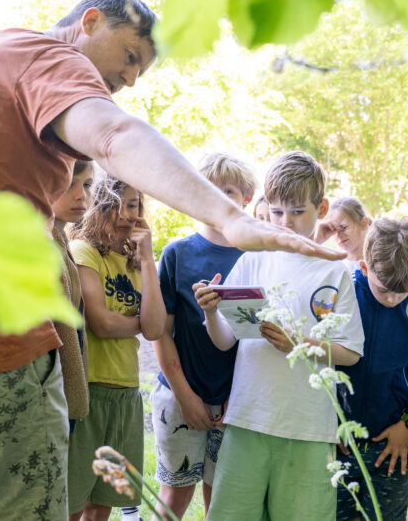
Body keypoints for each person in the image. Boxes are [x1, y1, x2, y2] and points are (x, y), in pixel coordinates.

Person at [0, 0, 342, 521]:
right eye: (131, 56)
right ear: (89, 22)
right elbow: (112, 133)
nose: (130, 80)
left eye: (142, 70)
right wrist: (230, 217)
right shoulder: (49, 60)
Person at [194, 151, 366, 521]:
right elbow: (225, 340)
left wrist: (300, 345)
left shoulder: (335, 271)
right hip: (247, 419)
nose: (285, 222)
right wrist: (211, 312)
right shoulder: (252, 259)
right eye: (276, 212)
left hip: (308, 428)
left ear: (321, 207)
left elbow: (350, 353)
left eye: (297, 211)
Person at [149, 152, 256, 520]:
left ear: (247, 198)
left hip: (233, 403)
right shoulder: (177, 254)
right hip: (180, 394)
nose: (218, 197)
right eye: (208, 189)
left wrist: (238, 396)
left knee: (221, 499)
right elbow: (161, 333)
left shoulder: (255, 257)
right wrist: (186, 396)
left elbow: (252, 337)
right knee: (175, 496)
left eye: (228, 190)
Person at [335, 217, 408, 521]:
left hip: (390, 446)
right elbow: (316, 359)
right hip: (335, 444)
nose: (393, 299)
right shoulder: (339, 297)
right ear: (364, 268)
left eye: (402, 290)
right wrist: (327, 421)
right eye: (385, 289)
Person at [67, 176, 165, 521]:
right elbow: (102, 323)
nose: (126, 213)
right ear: (98, 207)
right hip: (89, 392)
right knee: (73, 503)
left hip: (126, 393)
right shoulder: (84, 250)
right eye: (116, 204)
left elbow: (155, 329)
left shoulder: (137, 260)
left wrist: (148, 259)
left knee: (104, 502)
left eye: (135, 204)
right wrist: (138, 322)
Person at [50, 159, 95, 424]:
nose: (81, 195)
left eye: (87, 184)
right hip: (51, 400)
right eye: (69, 184)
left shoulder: (62, 239)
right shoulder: (43, 244)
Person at [317, 197, 372, 272]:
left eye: (344, 227)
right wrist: (317, 241)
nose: (338, 235)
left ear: (364, 223)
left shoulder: (380, 261)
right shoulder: (333, 264)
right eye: (333, 230)